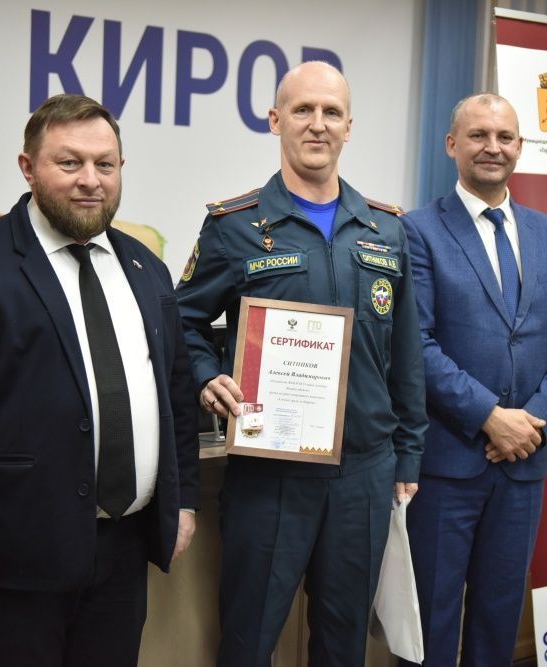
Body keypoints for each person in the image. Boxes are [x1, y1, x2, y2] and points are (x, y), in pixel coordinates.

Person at [0, 94, 200, 666]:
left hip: (125, 545)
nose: (90, 180)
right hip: (17, 549)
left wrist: (183, 501)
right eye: (69, 163)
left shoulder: (146, 268)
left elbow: (175, 394)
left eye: (104, 164)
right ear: (28, 167)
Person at [175, 61, 427, 666]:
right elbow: (180, 322)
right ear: (275, 120)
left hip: (364, 474)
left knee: (344, 645)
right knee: (248, 640)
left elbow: (406, 352)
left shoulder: (386, 230)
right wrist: (207, 376)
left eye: (331, 112)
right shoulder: (234, 227)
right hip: (270, 475)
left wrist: (409, 453)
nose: (318, 124)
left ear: (349, 127)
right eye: (303, 110)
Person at [400, 93, 547, 666]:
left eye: (505, 137)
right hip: (445, 467)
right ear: (451, 145)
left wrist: (531, 423)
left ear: (520, 147)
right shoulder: (417, 231)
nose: (493, 147)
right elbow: (415, 344)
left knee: (499, 616)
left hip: (522, 465)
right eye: (479, 135)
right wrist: (489, 416)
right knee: (430, 620)